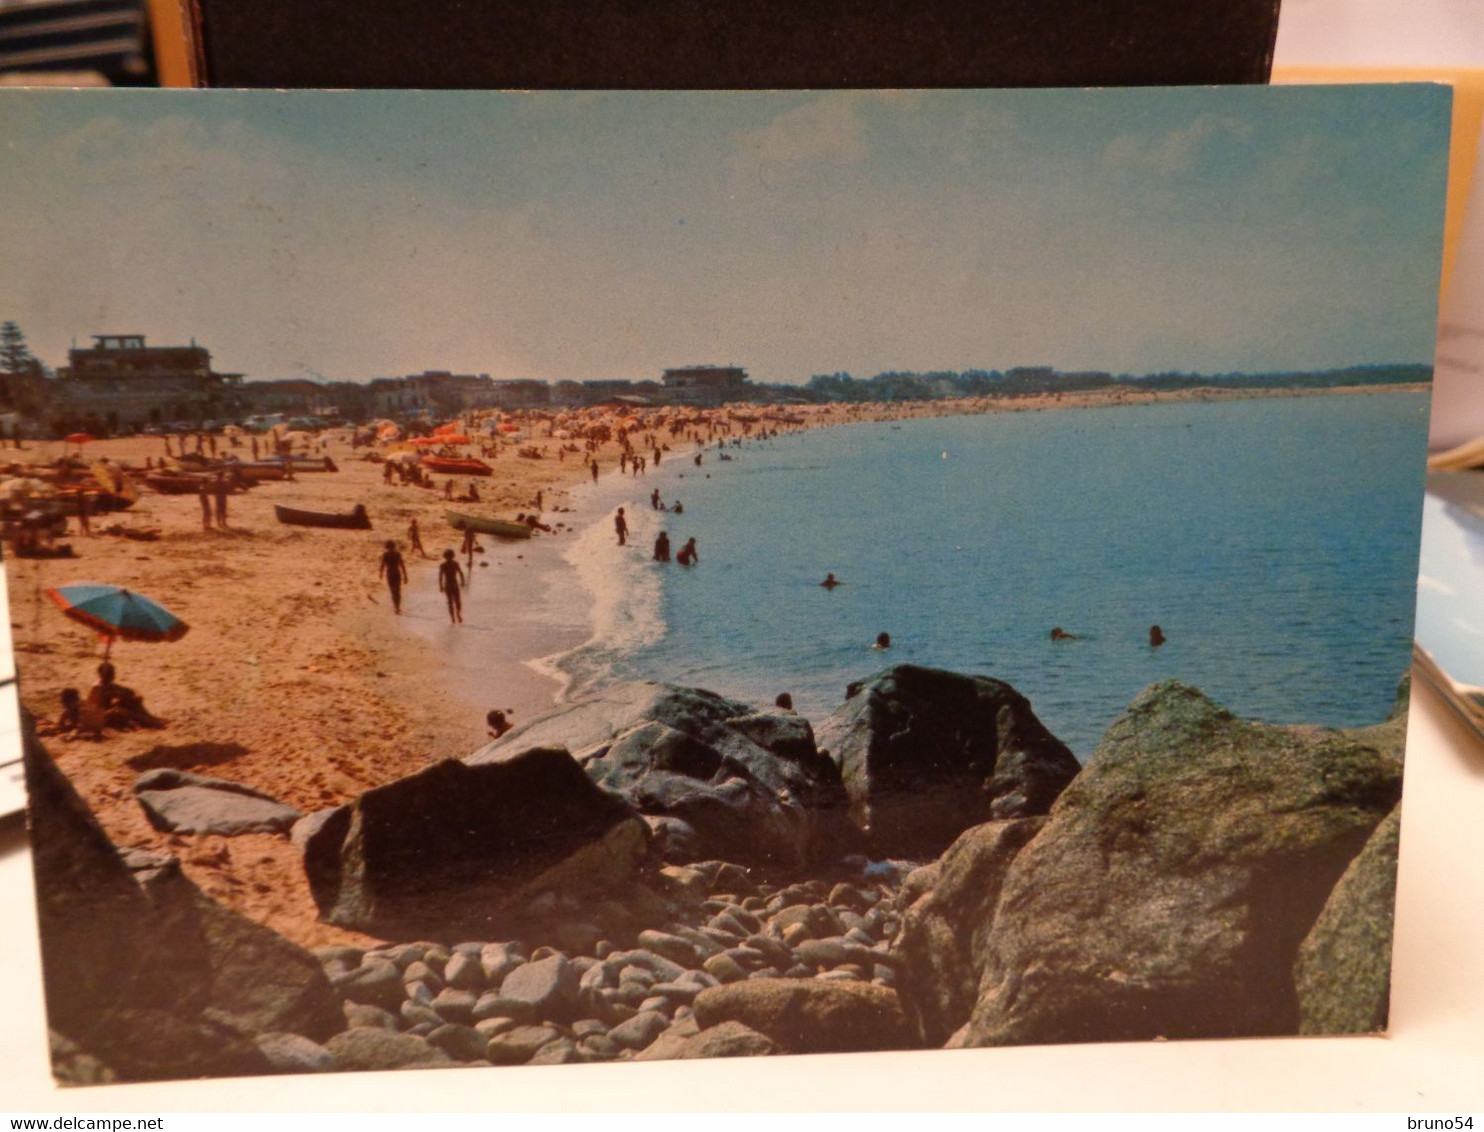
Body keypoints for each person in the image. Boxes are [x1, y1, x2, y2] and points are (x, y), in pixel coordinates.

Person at [86, 662, 165, 731]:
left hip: (107, 712)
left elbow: (127, 691)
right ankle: (150, 722)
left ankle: (150, 719)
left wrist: (135, 695)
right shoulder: (97, 688)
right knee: (120, 711)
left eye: (112, 673)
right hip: (99, 716)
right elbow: (94, 709)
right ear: (101, 674)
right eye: (109, 674)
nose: (112, 676)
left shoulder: (109, 685)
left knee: (133, 701)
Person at [380, 540, 409, 613]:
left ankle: (395, 607)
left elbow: (382, 565)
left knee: (392, 591)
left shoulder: (385, 554)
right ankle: (398, 607)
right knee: (398, 591)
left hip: (389, 573)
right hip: (397, 573)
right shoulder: (397, 554)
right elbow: (402, 564)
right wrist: (405, 575)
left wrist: (381, 573)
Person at [439, 550, 465, 623]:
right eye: (448, 557)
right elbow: (460, 573)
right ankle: (454, 616)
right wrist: (462, 581)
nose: (449, 558)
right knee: (455, 602)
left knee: (454, 602)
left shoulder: (445, 565)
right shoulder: (453, 564)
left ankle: (456, 615)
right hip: (452, 585)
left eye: (450, 557)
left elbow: (440, 577)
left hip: (449, 585)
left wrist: (441, 586)